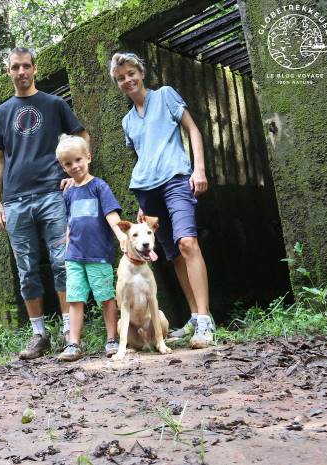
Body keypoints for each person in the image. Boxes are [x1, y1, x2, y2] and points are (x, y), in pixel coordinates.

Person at [0, 47, 91, 359]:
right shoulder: (1, 112)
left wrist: (80, 175)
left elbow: (81, 135)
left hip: (52, 195)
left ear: (35, 69)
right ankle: (38, 334)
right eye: (15, 67)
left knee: (62, 263)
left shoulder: (54, 104)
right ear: (8, 72)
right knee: (27, 270)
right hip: (16, 201)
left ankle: (67, 332)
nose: (21, 72)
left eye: (26, 66)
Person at [109, 52, 214, 349]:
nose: (127, 80)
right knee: (172, 254)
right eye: (120, 78)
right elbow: (143, 156)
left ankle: (205, 322)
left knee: (187, 243)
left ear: (141, 73)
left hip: (177, 179)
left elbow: (192, 130)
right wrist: (143, 206)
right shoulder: (128, 121)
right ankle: (194, 316)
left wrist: (199, 168)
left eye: (131, 73)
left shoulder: (165, 95)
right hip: (147, 191)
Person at [54, 134, 127, 362]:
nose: (74, 166)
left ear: (88, 157)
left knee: (106, 297)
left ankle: (112, 339)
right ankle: (74, 343)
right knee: (75, 298)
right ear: (62, 166)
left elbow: (111, 215)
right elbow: (69, 222)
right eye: (68, 163)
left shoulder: (99, 187)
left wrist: (121, 237)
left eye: (78, 160)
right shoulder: (69, 192)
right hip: (74, 256)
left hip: (98, 255)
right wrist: (66, 249)